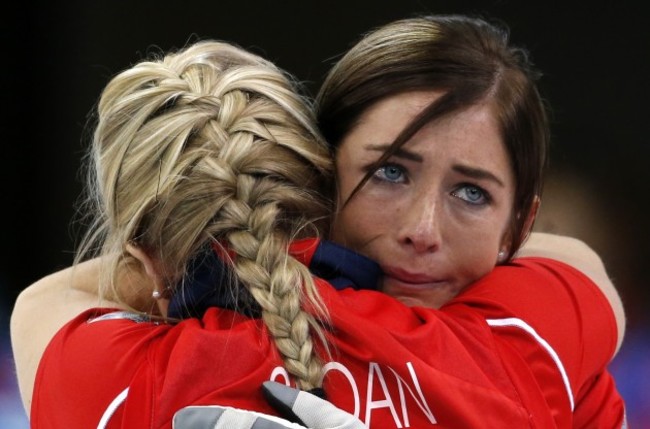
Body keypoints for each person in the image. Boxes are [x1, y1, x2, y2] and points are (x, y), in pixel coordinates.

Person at [10, 14, 625, 429]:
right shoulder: (525, 343)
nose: (422, 228)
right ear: (321, 177)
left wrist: (208, 253)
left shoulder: (135, 379)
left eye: (470, 193)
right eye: (389, 172)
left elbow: (40, 304)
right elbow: (584, 267)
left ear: (519, 224)